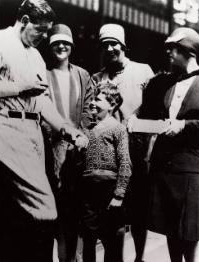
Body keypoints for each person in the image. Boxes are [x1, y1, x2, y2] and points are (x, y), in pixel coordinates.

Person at [0, 1, 88, 261]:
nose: (44, 37)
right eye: (40, 30)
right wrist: (20, 86)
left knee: (30, 219)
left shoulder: (34, 55)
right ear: (23, 20)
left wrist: (66, 128)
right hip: (2, 127)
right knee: (44, 211)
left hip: (31, 133)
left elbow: (41, 101)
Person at [133, 27, 199, 262]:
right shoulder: (170, 83)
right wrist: (138, 121)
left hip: (191, 168)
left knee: (189, 232)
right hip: (165, 168)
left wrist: (183, 125)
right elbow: (159, 119)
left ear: (187, 50)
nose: (168, 53)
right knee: (171, 230)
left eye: (172, 48)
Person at [82, 23, 154, 262]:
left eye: (114, 44)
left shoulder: (143, 71)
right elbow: (92, 113)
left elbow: (155, 104)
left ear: (123, 45)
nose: (110, 48)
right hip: (110, 149)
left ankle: (140, 257)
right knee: (115, 214)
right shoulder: (97, 77)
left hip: (138, 146)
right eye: (105, 45)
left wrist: (137, 115)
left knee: (139, 209)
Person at [46, 23, 90, 262]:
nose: (61, 46)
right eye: (55, 43)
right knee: (61, 212)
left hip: (79, 150)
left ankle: (78, 258)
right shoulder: (42, 73)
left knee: (79, 210)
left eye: (65, 42)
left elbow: (89, 111)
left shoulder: (82, 75)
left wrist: (79, 135)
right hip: (53, 151)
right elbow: (41, 112)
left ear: (71, 46)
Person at [79, 82, 132, 262]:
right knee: (88, 239)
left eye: (98, 99)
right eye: (92, 98)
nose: (92, 102)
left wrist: (119, 194)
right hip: (88, 192)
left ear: (112, 105)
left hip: (109, 191)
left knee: (113, 241)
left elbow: (125, 162)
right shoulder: (87, 130)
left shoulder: (118, 129)